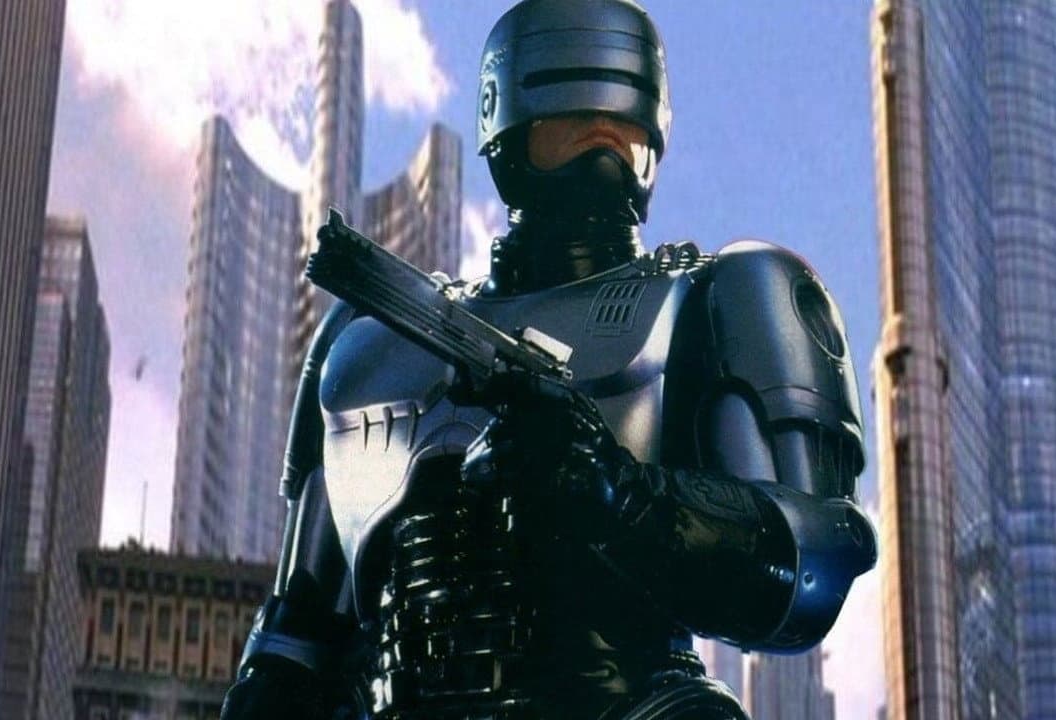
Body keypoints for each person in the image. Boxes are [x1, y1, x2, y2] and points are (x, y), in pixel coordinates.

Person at [221, 0, 876, 718]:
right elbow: (299, 633)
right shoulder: (366, 339)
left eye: (620, 131)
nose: (602, 149)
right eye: (577, 125)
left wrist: (615, 493)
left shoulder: (717, 299)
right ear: (506, 124)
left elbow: (817, 557)